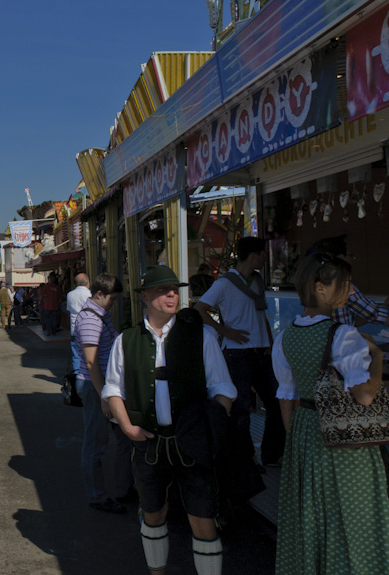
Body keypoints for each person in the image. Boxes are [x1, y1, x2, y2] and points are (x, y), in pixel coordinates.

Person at [102, 267, 236, 575]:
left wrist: (210, 425)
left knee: (203, 519)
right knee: (153, 513)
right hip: (148, 443)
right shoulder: (127, 340)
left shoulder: (201, 336)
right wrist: (128, 427)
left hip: (192, 445)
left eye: (175, 289)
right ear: (145, 297)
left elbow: (223, 389)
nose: (172, 294)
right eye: (164, 290)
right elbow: (113, 388)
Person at [271, 253, 389, 574]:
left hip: (307, 430)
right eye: (344, 285)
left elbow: (286, 397)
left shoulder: (285, 337)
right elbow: (364, 396)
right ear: (321, 288)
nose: (349, 291)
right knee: (354, 514)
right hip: (344, 439)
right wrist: (375, 355)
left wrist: (296, 443)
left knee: (314, 516)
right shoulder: (343, 335)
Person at [195, 236, 284, 467]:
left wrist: (269, 341)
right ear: (254, 254)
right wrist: (225, 330)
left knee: (276, 402)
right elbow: (200, 309)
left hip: (260, 351)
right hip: (236, 353)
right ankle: (245, 462)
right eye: (264, 254)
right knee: (241, 408)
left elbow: (260, 313)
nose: (266, 258)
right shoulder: (224, 283)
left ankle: (271, 455)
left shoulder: (257, 281)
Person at [74, 273, 129, 514]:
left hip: (104, 385)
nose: (114, 303)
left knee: (123, 437)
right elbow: (90, 362)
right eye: (113, 299)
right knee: (96, 444)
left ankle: (123, 489)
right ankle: (98, 496)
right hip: (95, 386)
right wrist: (104, 395)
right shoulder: (90, 319)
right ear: (99, 294)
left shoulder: (99, 315)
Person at [66, 273, 92, 378]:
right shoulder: (90, 295)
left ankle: (77, 378)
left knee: (76, 356)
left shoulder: (70, 294)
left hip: (74, 328)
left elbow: (69, 310)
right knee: (89, 355)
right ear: (87, 282)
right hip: (88, 329)